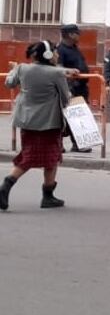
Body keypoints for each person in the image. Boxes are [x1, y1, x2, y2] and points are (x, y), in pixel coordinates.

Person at [0, 42, 75, 211]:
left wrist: (15, 68)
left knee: (35, 154)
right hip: (49, 122)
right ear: (48, 55)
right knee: (48, 157)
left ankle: (47, 195)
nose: (57, 55)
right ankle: (9, 183)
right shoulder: (56, 73)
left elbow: (9, 83)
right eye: (55, 52)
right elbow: (65, 98)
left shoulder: (22, 69)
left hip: (26, 120)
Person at [56, 24, 92, 153]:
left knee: (78, 117)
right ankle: (57, 144)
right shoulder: (60, 50)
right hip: (69, 88)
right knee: (63, 118)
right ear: (71, 34)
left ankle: (78, 143)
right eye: (77, 33)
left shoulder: (75, 49)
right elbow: (58, 69)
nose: (79, 36)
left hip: (80, 88)